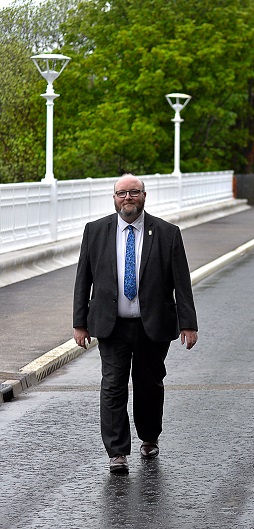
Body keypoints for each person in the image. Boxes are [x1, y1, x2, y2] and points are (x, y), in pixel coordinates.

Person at [73, 174, 198, 474]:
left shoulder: (167, 233)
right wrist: (79, 323)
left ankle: (149, 437)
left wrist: (188, 323)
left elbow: (181, 282)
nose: (127, 198)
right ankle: (117, 453)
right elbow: (83, 279)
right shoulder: (96, 231)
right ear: (114, 198)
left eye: (133, 192)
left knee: (149, 385)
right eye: (121, 193)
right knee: (113, 386)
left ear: (144, 196)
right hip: (111, 325)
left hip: (151, 325)